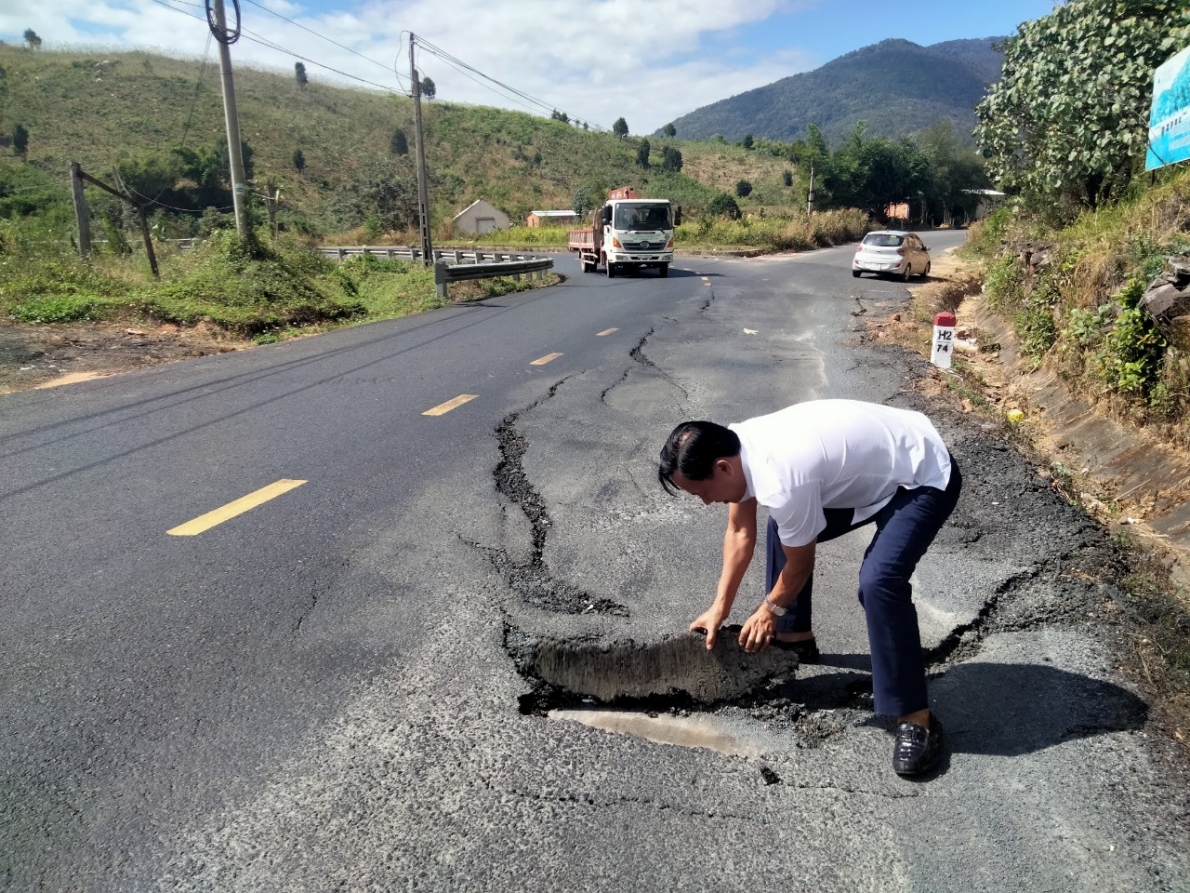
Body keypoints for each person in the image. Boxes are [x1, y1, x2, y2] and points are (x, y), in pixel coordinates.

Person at [657, 399, 962, 777]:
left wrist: (770, 608)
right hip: (875, 471)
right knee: (786, 527)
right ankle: (795, 637)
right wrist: (720, 605)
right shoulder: (738, 445)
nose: (705, 502)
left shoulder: (783, 477)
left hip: (922, 476)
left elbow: (800, 564)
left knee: (879, 581)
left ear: (722, 467)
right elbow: (739, 531)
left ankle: (918, 719)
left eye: (701, 492)